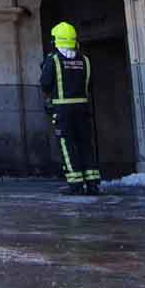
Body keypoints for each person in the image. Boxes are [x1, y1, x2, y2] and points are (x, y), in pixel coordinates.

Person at [39, 22, 100, 195]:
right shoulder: (85, 60)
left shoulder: (54, 59)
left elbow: (45, 84)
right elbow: (90, 84)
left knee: (68, 145)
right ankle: (93, 182)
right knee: (86, 144)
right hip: (83, 108)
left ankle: (76, 184)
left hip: (63, 111)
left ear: (56, 40)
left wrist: (44, 68)